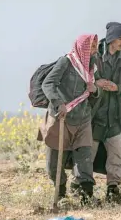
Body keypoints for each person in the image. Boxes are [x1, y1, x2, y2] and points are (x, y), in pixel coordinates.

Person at [39, 34, 102, 205]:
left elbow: (94, 95)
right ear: (83, 47)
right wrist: (58, 103)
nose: (95, 49)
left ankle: (86, 196)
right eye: (92, 46)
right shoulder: (66, 62)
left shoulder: (93, 65)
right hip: (61, 118)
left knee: (85, 158)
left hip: (83, 118)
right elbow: (48, 84)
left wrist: (95, 90)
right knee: (54, 163)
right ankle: (60, 195)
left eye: (96, 46)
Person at [89, 22, 121, 203]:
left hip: (115, 118)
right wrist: (97, 84)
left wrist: (118, 87)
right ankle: (84, 191)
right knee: (87, 154)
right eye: (120, 38)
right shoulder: (93, 57)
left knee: (116, 155)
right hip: (95, 117)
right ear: (111, 38)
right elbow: (83, 80)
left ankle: (113, 190)